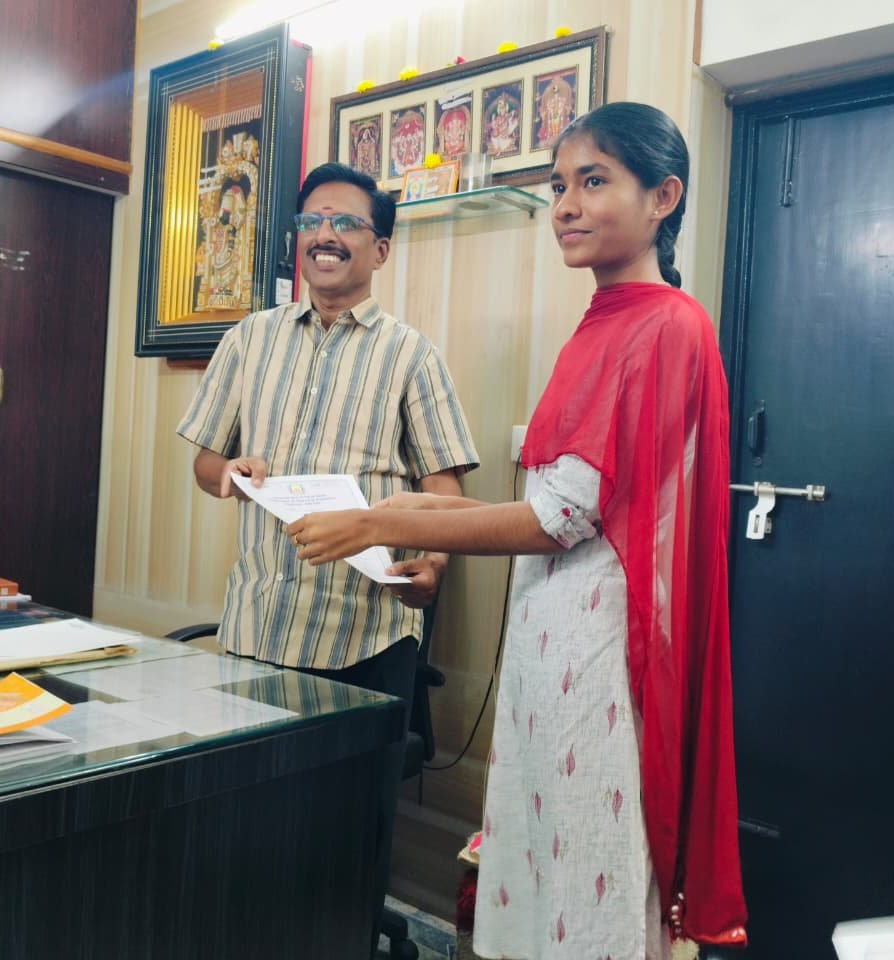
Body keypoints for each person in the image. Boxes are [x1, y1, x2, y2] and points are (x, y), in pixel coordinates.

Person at [287, 103, 747, 957]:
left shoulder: (666, 324)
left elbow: (556, 521)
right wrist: (421, 509)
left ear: (663, 197)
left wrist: (378, 519)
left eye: (593, 181)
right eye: (558, 185)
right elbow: (568, 502)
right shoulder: (608, 319)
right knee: (542, 873)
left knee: (585, 886)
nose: (565, 205)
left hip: (598, 657)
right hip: (551, 643)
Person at [177, 161, 480, 951]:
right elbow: (205, 461)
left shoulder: (412, 356)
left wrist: (433, 567)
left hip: (365, 637)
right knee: (249, 822)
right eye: (312, 221)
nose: (325, 235)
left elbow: (444, 490)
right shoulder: (248, 339)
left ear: (380, 249)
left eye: (346, 223)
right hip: (259, 626)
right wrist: (231, 473)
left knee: (348, 837)